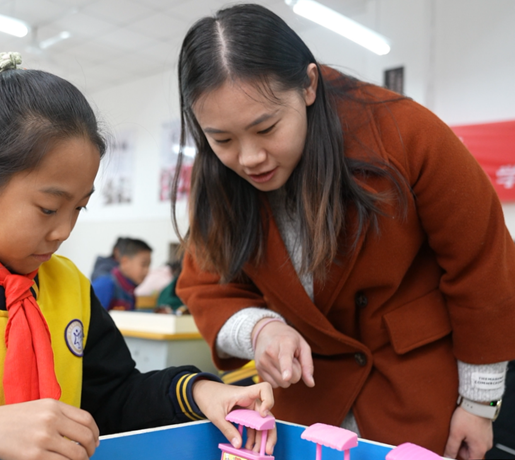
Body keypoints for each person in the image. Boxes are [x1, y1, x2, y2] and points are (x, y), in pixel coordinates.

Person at [0, 52, 275, 460]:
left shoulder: (67, 285)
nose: (64, 231)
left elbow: (114, 396)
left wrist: (199, 393)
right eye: (48, 208)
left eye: (78, 208)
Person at [173, 4, 515, 459]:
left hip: (417, 392)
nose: (249, 158)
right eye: (222, 140)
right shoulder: (217, 180)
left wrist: (479, 404)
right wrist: (261, 330)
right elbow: (206, 287)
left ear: (308, 85)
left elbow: (483, 266)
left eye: (267, 127)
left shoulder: (405, 133)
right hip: (304, 406)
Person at [92, 238, 152, 311]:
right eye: (143, 264)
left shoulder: (130, 291)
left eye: (149, 265)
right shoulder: (105, 284)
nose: (147, 271)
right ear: (125, 262)